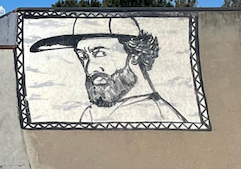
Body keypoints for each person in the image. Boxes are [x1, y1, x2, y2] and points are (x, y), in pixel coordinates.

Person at [30, 16, 185, 123]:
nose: (90, 68)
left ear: (134, 55)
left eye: (100, 53)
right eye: (83, 56)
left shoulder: (158, 114)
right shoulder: (92, 112)